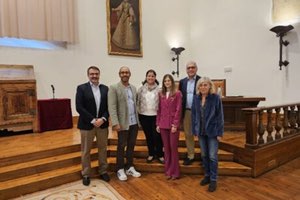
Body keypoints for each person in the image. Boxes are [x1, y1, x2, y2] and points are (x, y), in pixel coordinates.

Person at [75, 66, 110, 186]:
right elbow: (79, 107)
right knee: (85, 151)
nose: (94, 76)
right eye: (92, 74)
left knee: (103, 149)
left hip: (102, 124)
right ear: (88, 75)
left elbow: (108, 107)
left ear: (99, 75)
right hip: (87, 125)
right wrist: (92, 120)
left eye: (96, 74)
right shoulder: (81, 88)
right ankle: (86, 174)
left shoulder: (105, 89)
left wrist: (103, 119)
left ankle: (103, 170)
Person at [108, 66, 141, 181]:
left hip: (134, 122)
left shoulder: (133, 87)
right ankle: (120, 168)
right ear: (119, 74)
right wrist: (115, 123)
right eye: (122, 72)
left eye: (126, 72)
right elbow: (112, 107)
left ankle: (130, 166)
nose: (124, 74)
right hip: (122, 123)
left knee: (131, 145)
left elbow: (135, 103)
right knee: (121, 146)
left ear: (130, 74)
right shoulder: (114, 88)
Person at [191, 77, 224, 192]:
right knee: (204, 155)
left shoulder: (215, 98)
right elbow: (194, 116)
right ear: (198, 87)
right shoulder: (195, 98)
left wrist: (220, 132)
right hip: (200, 131)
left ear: (210, 86)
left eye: (205, 85)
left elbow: (220, 116)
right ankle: (207, 175)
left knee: (212, 156)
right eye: (201, 85)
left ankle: (214, 179)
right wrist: (194, 130)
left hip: (213, 132)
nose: (203, 87)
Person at [156, 74, 182, 180]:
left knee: (173, 148)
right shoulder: (160, 94)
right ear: (163, 82)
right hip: (163, 124)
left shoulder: (177, 93)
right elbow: (159, 110)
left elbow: (178, 109)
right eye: (165, 81)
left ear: (172, 82)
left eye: (169, 80)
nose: (167, 82)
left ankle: (175, 172)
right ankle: (168, 171)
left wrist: (175, 124)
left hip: (172, 125)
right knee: (166, 149)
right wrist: (157, 124)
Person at [137, 69, 164, 164]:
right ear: (146, 77)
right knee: (148, 136)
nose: (150, 77)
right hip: (144, 116)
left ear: (155, 77)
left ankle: (160, 155)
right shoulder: (141, 88)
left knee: (157, 136)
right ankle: (151, 154)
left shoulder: (160, 88)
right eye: (149, 76)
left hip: (156, 115)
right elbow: (137, 101)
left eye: (152, 76)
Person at [178, 61, 201, 165]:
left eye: (193, 67)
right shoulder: (182, 82)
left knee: (202, 134)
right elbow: (180, 98)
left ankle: (204, 156)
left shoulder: (201, 80)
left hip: (200, 112)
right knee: (188, 134)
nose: (191, 69)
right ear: (186, 70)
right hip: (187, 112)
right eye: (188, 68)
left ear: (196, 69)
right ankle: (190, 155)